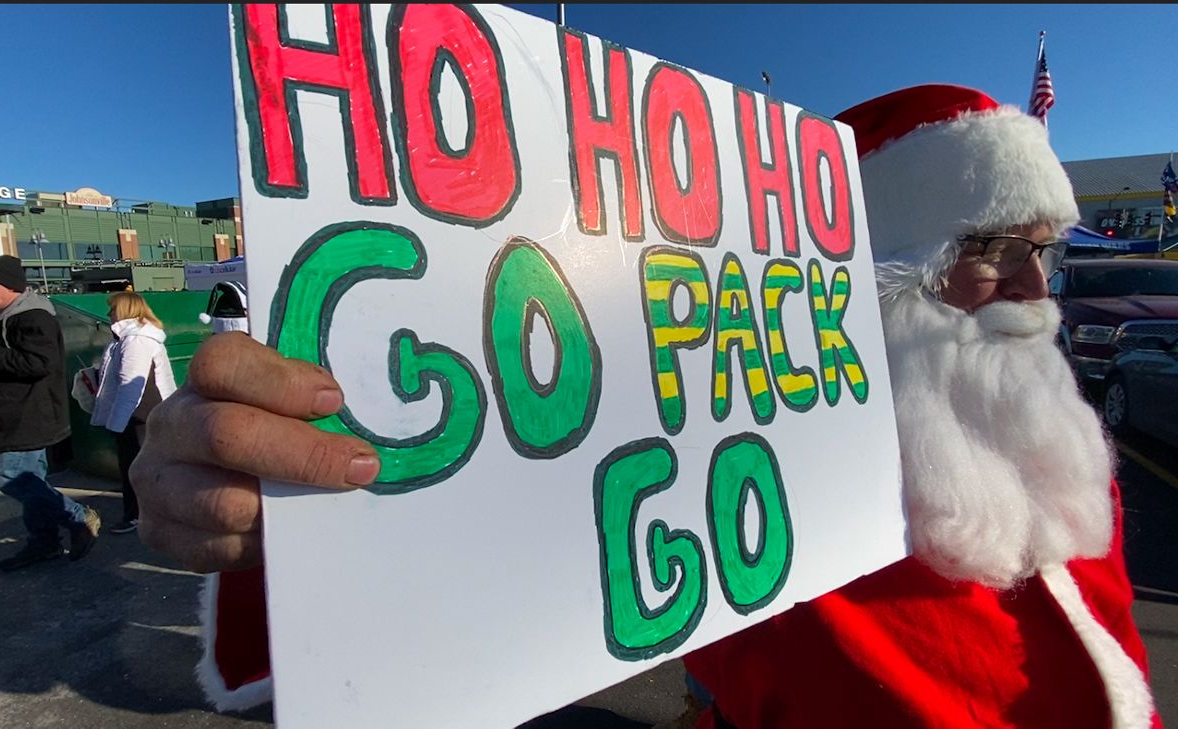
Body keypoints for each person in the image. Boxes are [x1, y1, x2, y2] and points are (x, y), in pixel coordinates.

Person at [127, 84, 1161, 725]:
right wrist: (281, 500)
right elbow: (493, 503)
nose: (1035, 290)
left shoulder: (1037, 404)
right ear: (870, 275)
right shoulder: (736, 447)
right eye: (986, 249)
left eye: (1044, 249)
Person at [0, 254, 101, 572]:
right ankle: (44, 543)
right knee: (31, 480)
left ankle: (78, 518)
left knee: (11, 478)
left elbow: (38, 364)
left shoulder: (33, 317)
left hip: (26, 414)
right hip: (12, 413)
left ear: (7, 285)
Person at [90, 292, 177, 535]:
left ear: (124, 310)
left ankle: (138, 515)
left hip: (138, 413)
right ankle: (144, 513)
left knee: (136, 466)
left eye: (112, 309)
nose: (108, 314)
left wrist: (117, 423)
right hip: (139, 411)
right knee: (139, 465)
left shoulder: (136, 340)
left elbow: (131, 384)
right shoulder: (128, 338)